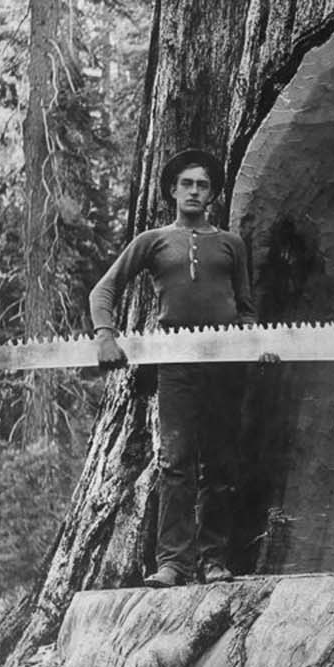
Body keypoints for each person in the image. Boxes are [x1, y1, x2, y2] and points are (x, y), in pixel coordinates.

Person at [89, 148, 268, 588]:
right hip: (175, 365)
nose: (193, 191)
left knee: (221, 463)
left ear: (212, 194)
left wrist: (254, 343)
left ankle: (213, 561)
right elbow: (103, 290)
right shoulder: (153, 241)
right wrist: (105, 334)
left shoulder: (230, 244)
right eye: (186, 183)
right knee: (175, 462)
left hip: (223, 364)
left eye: (202, 185)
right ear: (173, 190)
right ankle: (173, 563)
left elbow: (246, 309)